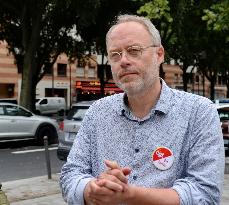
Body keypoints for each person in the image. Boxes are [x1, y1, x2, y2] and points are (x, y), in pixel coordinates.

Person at [60, 14, 225, 205]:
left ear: (159, 54)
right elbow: (70, 174)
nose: (123, 61)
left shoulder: (199, 112)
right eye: (115, 54)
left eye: (134, 50)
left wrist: (129, 194)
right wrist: (92, 189)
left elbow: (205, 194)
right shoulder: (97, 112)